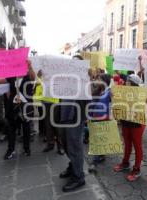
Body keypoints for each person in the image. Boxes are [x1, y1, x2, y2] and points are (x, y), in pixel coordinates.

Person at [0, 61, 35, 159]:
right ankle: (10, 150)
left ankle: (27, 148)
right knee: (12, 129)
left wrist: (30, 66)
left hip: (25, 107)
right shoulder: (11, 77)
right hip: (13, 108)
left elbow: (33, 78)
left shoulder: (28, 75)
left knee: (26, 128)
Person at [59, 55, 89, 192]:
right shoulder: (65, 78)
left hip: (76, 117)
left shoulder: (85, 81)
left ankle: (79, 177)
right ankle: (73, 166)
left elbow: (90, 98)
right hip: (64, 115)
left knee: (75, 147)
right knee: (66, 144)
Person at [113, 74, 146, 182]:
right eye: (127, 81)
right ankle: (125, 163)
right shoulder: (123, 91)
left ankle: (137, 169)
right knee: (127, 143)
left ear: (134, 84)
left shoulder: (142, 94)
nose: (126, 82)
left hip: (137, 123)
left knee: (137, 145)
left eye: (128, 81)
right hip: (125, 121)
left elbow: (145, 107)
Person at [88, 73, 112, 173]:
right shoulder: (97, 90)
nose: (97, 81)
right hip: (94, 116)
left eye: (99, 79)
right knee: (96, 138)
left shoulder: (109, 91)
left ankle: (94, 162)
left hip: (103, 118)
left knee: (98, 139)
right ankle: (100, 155)